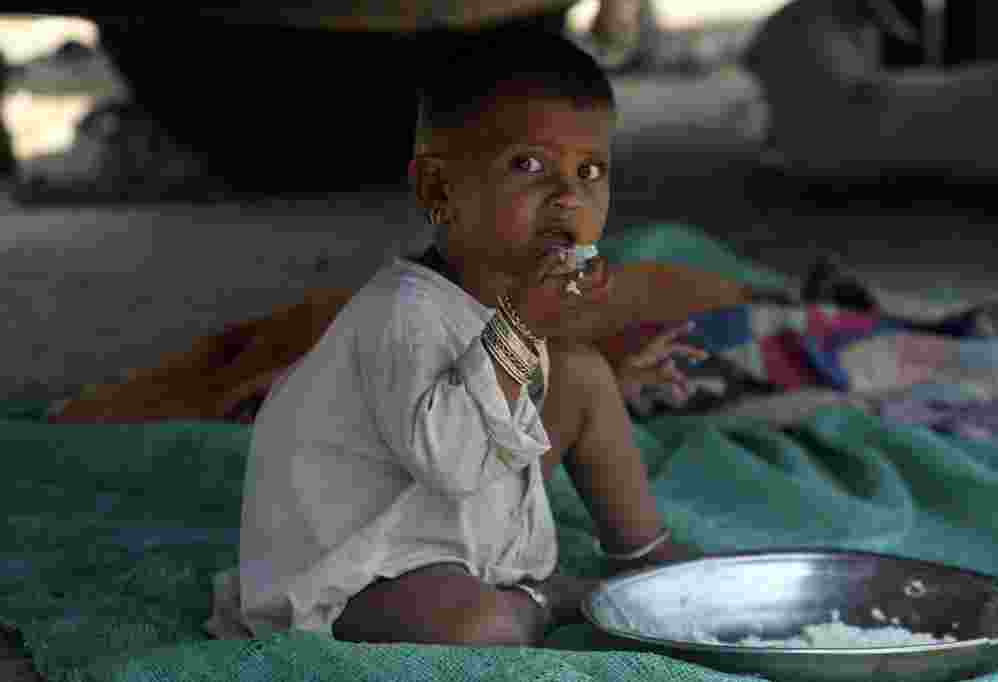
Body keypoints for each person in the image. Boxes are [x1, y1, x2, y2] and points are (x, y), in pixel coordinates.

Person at [211, 26, 707, 648]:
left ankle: (641, 555)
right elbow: (449, 461)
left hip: (446, 511)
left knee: (581, 371)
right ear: (438, 190)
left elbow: (519, 387)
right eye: (529, 165)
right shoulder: (403, 313)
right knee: (479, 626)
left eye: (590, 170)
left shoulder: (510, 296)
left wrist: (612, 381)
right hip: (363, 564)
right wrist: (525, 326)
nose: (568, 195)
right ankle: (550, 600)